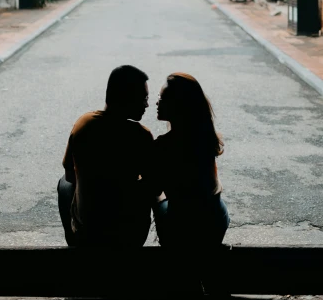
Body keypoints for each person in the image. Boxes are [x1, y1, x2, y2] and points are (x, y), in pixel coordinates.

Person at [57, 65, 160, 247]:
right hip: (129, 237)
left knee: (64, 183)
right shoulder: (140, 136)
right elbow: (154, 187)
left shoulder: (84, 123)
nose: (146, 105)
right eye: (143, 98)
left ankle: (72, 240)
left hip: (87, 234)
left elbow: (70, 174)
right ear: (125, 97)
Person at [152, 72, 229, 248]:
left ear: (177, 106)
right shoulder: (205, 137)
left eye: (162, 98)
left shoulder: (164, 145)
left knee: (153, 196)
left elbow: (154, 187)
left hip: (185, 228)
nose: (157, 103)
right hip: (217, 220)